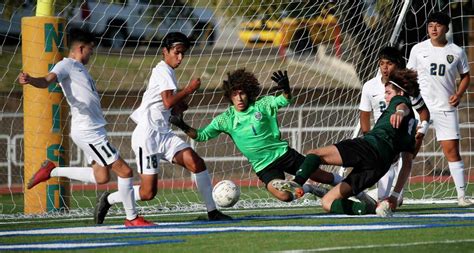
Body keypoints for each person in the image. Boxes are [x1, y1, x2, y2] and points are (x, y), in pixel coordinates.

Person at [19, 28, 153, 227]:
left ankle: (52, 171)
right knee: (125, 172)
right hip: (89, 131)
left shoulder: (81, 70)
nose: (92, 53)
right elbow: (48, 80)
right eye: (90, 49)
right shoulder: (66, 65)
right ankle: (132, 218)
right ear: (81, 48)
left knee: (101, 177)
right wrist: (31, 80)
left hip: (94, 129)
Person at [94, 32, 231, 224]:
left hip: (164, 134)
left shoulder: (169, 72)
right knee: (148, 193)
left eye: (183, 53)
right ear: (165, 51)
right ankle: (109, 199)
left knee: (196, 162)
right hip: (148, 137)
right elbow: (167, 102)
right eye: (177, 52)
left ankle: (212, 211)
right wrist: (189, 90)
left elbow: (169, 106)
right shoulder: (162, 70)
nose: (180, 57)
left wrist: (181, 106)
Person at [169, 68, 353, 203]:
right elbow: (201, 136)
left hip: (283, 154)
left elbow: (285, 99)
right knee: (285, 196)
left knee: (324, 176)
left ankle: (356, 190)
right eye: (235, 94)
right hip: (263, 166)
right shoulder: (225, 120)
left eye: (242, 93)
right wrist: (182, 125)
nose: (239, 98)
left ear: (248, 93)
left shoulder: (263, 105)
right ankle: (307, 188)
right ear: (229, 96)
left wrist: (286, 89)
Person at [279, 69, 420, 216]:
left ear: (401, 93)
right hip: (379, 167)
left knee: (315, 154)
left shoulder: (400, 101)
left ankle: (297, 182)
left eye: (388, 93)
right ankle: (376, 208)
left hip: (369, 147)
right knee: (327, 202)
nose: (386, 97)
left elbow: (401, 105)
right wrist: (395, 196)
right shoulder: (412, 128)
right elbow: (407, 163)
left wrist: (400, 112)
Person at [407, 12, 471, 207]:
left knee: (452, 151)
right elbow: (409, 75)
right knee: (410, 149)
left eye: (438, 25)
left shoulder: (457, 51)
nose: (433, 29)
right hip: (422, 109)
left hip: (445, 109)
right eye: (430, 25)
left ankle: (462, 196)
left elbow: (466, 76)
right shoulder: (418, 49)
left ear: (446, 28)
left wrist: (458, 94)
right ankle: (395, 192)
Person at [359, 46, 430, 204]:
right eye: (382, 63)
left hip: (404, 134)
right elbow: (364, 114)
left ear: (398, 65)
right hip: (383, 134)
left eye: (389, 63)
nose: (385, 67)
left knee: (406, 160)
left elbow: (424, 112)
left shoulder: (407, 86)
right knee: (384, 165)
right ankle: (386, 198)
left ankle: (395, 195)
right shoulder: (369, 86)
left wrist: (422, 129)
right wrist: (367, 135)